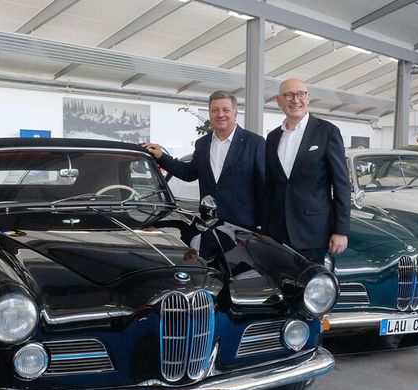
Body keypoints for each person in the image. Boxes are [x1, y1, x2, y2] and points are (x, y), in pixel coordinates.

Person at [144, 91, 265, 230]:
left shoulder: (255, 143)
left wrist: (262, 226)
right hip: (208, 225)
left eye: (226, 110)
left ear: (235, 113)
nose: (220, 114)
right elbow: (189, 173)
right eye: (215, 110)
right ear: (209, 114)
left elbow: (264, 186)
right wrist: (161, 156)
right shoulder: (203, 144)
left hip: (243, 229)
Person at [262, 78, 351, 264]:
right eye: (289, 95)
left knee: (313, 282)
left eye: (300, 94)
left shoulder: (327, 132)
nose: (295, 100)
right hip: (276, 233)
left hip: (312, 233)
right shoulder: (273, 137)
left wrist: (341, 231)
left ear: (308, 98)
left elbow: (341, 184)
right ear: (279, 101)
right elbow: (270, 185)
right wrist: (264, 228)